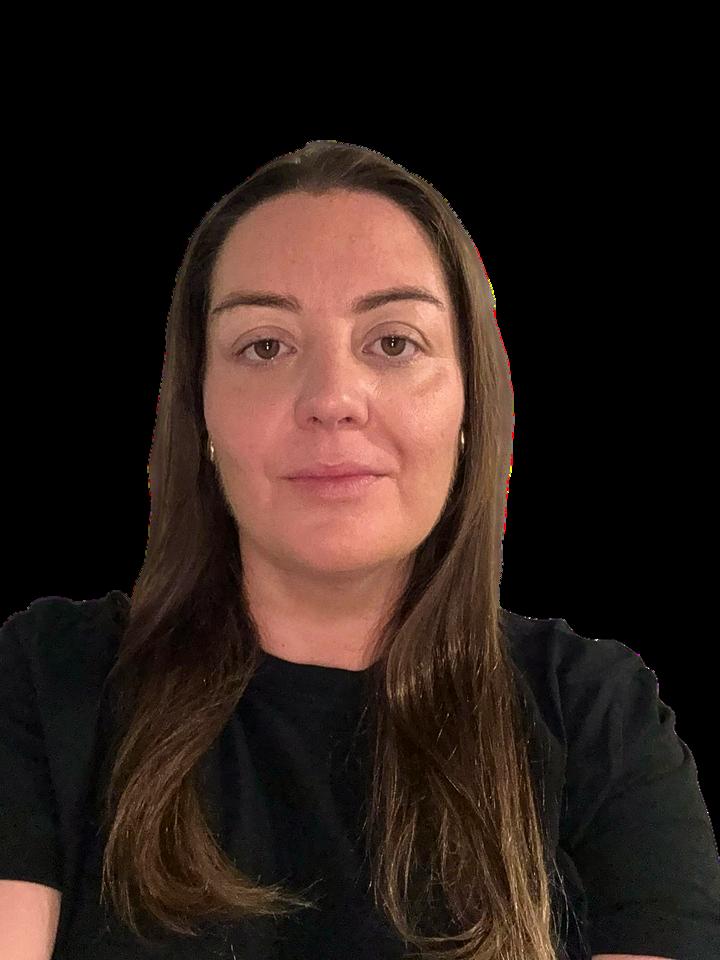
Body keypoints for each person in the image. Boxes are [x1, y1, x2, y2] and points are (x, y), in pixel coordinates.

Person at [1, 141, 717, 959]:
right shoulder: (48, 682)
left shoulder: (600, 718)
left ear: (469, 402)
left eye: (394, 342)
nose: (333, 398)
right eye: (264, 345)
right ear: (200, 411)